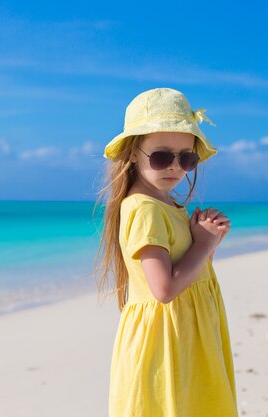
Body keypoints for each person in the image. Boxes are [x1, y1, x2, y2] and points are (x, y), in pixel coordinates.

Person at [93, 87, 238, 416]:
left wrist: (208, 240)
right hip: (166, 342)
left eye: (186, 158)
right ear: (133, 153)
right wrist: (203, 243)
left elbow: (190, 271)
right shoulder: (143, 208)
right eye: (161, 156)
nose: (175, 167)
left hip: (186, 334)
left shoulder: (168, 204)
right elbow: (164, 289)